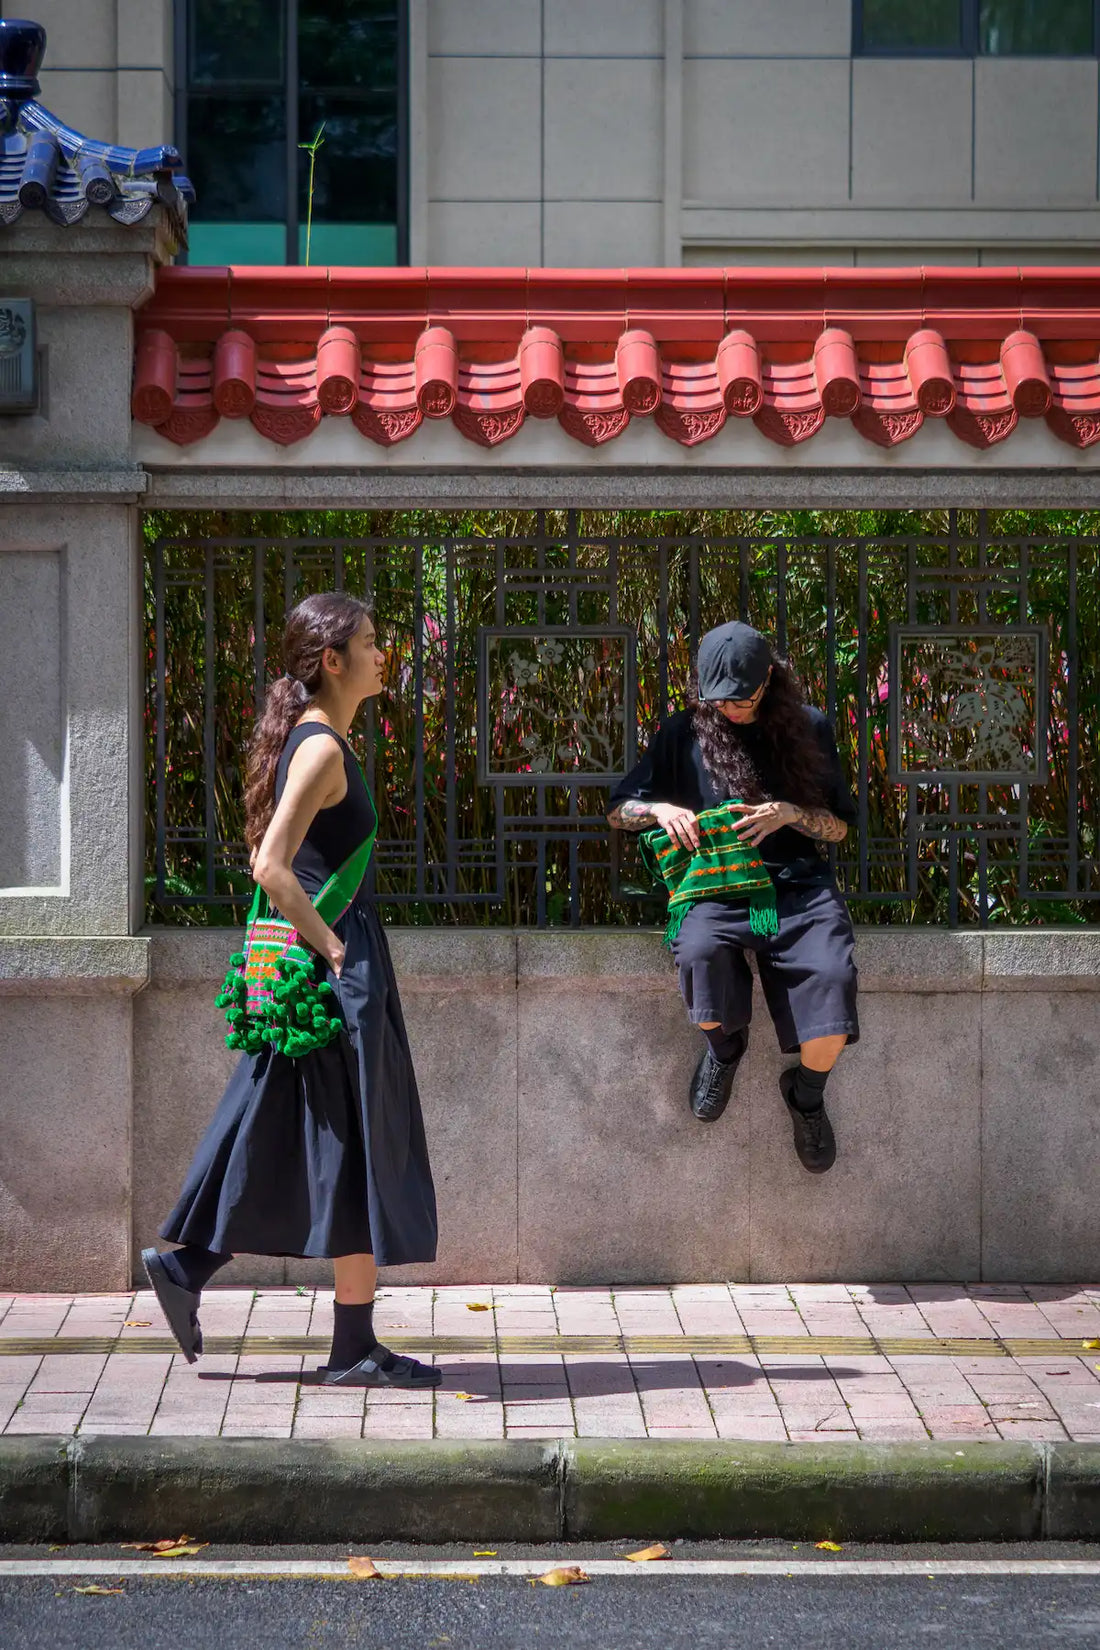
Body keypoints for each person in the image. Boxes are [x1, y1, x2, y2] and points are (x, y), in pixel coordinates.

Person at [143, 593, 440, 1387]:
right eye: (372, 644)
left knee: (323, 1143)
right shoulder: (321, 751)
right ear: (333, 660)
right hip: (331, 972)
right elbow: (270, 865)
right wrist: (337, 944)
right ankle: (331, 1338)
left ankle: (218, 1282)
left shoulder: (320, 741)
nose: (385, 655)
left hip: (320, 971)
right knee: (346, 1145)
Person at [608, 620, 859, 1174]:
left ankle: (806, 1095)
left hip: (796, 888)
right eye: (720, 701)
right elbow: (618, 809)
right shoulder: (682, 732)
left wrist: (792, 814)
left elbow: (842, 827)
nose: (732, 710)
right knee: (698, 955)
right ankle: (725, 1052)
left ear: (769, 678)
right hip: (714, 887)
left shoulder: (809, 728)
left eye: (743, 698)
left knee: (834, 982)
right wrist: (659, 809)